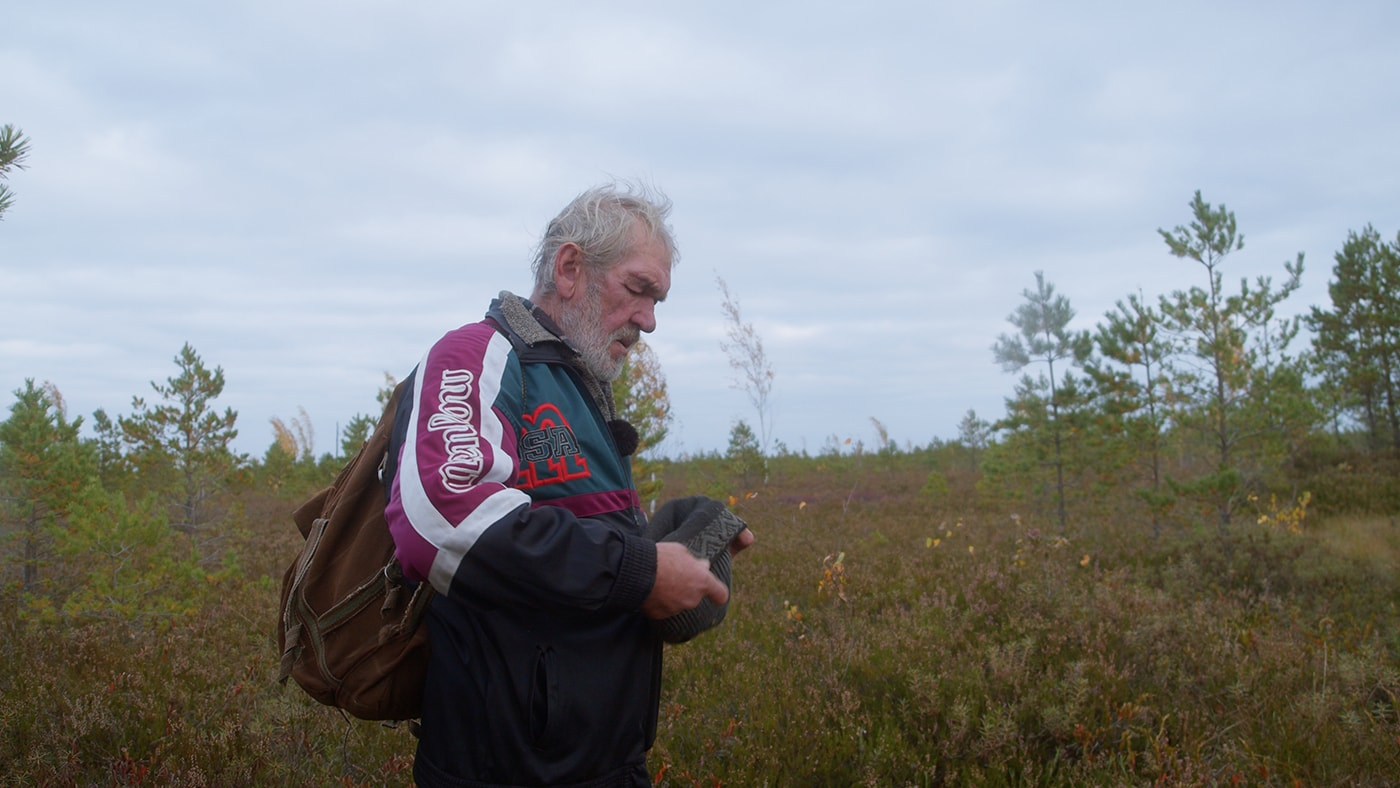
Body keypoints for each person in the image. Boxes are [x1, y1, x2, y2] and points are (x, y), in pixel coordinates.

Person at [385, 182, 755, 787]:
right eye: (638, 290)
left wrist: (668, 538)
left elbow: (575, 541)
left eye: (658, 301)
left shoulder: (581, 386)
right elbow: (443, 522)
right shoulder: (476, 356)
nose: (650, 321)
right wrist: (641, 572)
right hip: (500, 772)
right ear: (569, 267)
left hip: (607, 765)